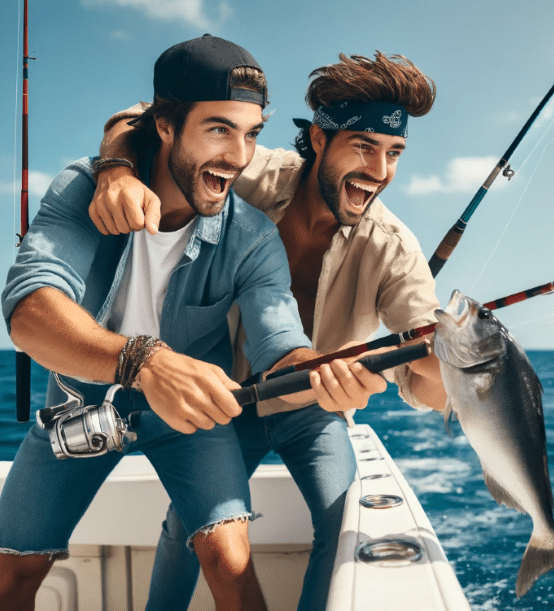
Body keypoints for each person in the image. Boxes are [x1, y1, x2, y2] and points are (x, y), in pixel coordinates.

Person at [0, 36, 386, 611]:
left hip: (191, 417)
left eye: (252, 133)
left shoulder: (253, 236)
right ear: (164, 125)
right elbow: (29, 313)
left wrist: (326, 371)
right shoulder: (85, 188)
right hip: (80, 404)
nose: (239, 155)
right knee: (12, 576)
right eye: (218, 129)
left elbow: (282, 342)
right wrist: (144, 361)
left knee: (230, 565)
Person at [89, 51, 447, 611]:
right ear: (321, 139)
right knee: (191, 519)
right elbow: (139, 118)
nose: (380, 171)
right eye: (363, 146)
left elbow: (426, 384)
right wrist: (112, 169)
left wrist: (447, 371)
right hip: (226, 392)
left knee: (345, 518)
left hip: (313, 409)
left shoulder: (396, 250)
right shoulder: (248, 169)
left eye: (393, 153)